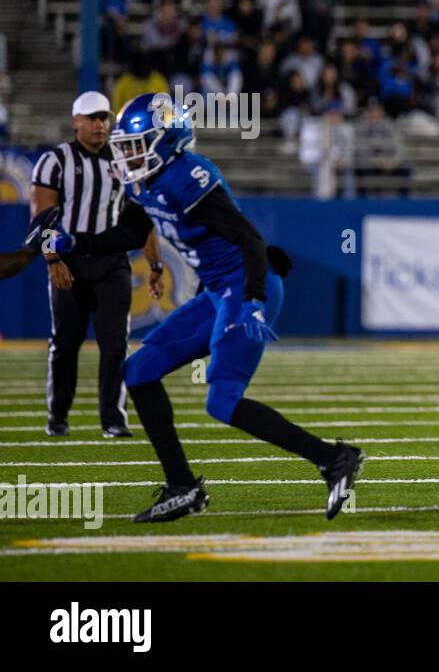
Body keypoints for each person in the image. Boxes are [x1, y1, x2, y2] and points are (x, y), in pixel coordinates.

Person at [46, 93, 364, 522]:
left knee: (221, 401)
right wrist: (77, 242)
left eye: (137, 144)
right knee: (138, 373)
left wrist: (252, 300)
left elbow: (251, 239)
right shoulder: (145, 182)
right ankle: (182, 487)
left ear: (166, 140)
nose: (128, 154)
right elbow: (127, 234)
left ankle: (334, 458)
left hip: (246, 286)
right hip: (216, 292)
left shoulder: (188, 175)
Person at [30, 91, 163, 438]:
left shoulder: (124, 160)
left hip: (112, 263)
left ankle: (113, 419)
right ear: (75, 122)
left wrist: (155, 265)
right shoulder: (55, 161)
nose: (99, 124)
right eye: (91, 118)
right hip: (69, 261)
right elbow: (41, 217)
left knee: (115, 343)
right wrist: (52, 259)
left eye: (104, 117)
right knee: (65, 342)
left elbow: (141, 220)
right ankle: (58, 415)